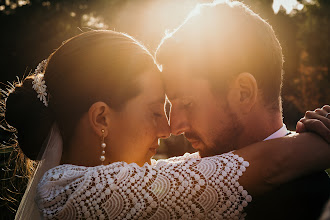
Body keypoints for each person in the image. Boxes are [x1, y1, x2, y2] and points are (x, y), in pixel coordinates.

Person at [4, 30, 329, 220]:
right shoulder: (62, 191)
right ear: (102, 118)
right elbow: (268, 166)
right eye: (155, 112)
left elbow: (200, 170)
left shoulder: (140, 190)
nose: (167, 128)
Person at [155, 1, 330, 219]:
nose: (174, 126)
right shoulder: (178, 187)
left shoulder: (318, 204)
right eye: (171, 105)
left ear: (244, 93)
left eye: (188, 104)